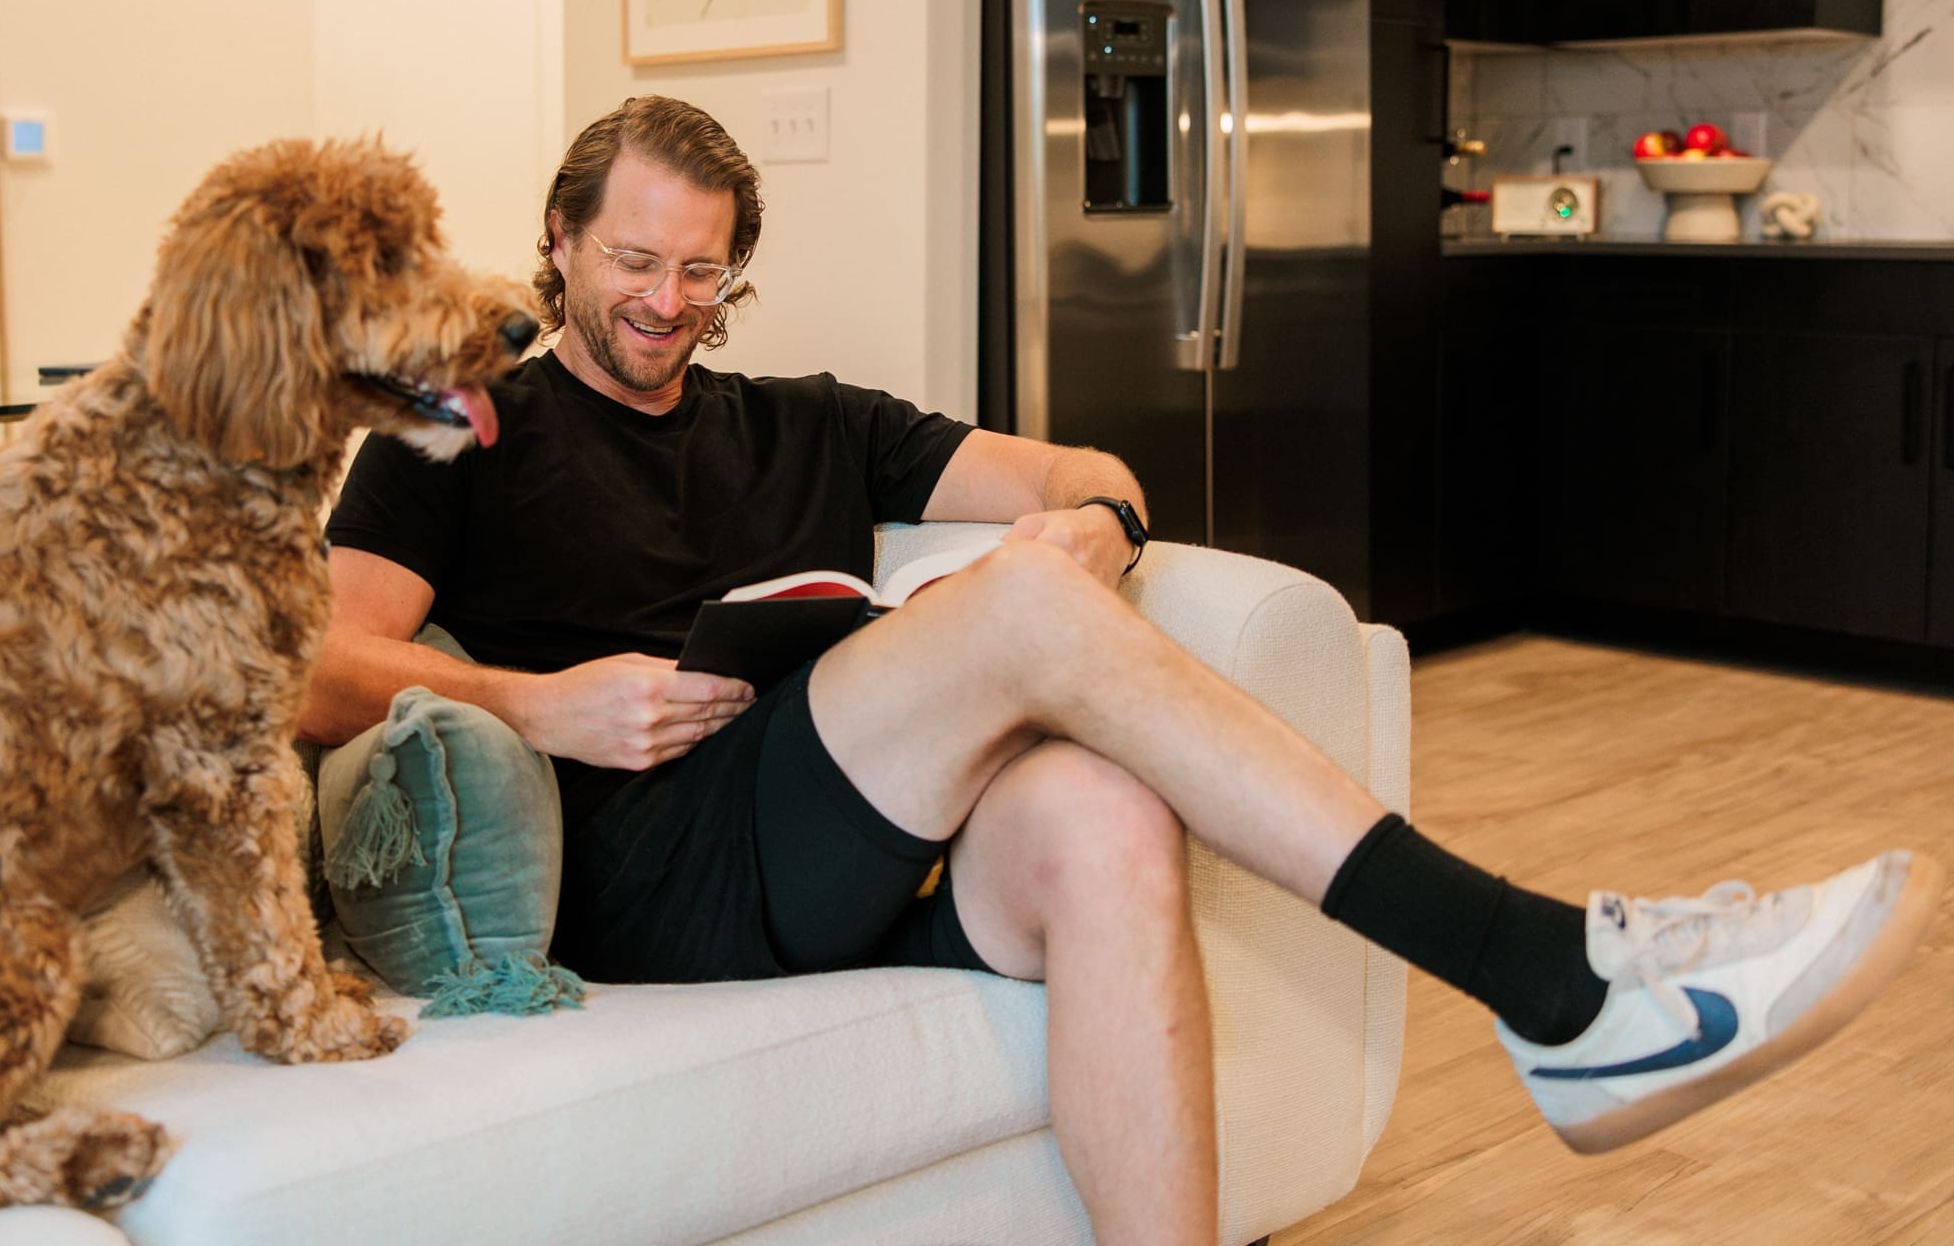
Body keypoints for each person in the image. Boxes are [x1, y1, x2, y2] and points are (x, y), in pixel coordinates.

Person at [301, 95, 1939, 1246]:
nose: (667, 302)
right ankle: (1544, 970)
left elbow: (1085, 464)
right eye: (632, 261)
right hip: (648, 856)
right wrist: (536, 702)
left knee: (1101, 818)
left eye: (701, 268)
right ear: (562, 244)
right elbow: (305, 663)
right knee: (1017, 627)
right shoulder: (465, 420)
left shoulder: (805, 417)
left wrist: (1092, 533)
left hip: (833, 831)